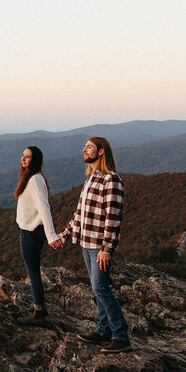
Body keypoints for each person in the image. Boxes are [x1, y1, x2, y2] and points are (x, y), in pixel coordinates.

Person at [61, 137, 131, 352]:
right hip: (86, 242)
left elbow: (113, 217)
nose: (84, 150)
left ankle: (121, 336)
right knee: (97, 289)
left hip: (99, 246)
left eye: (89, 147)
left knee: (101, 288)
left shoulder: (111, 180)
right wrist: (65, 235)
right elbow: (80, 214)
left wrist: (107, 249)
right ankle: (103, 330)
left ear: (101, 152)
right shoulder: (91, 179)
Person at [15, 145, 63, 325]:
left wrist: (51, 235)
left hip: (32, 232)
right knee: (33, 270)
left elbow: (44, 208)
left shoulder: (35, 180)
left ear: (35, 160)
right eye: (22, 155)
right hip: (32, 230)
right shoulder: (30, 177)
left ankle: (39, 312)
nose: (23, 158)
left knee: (33, 272)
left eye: (28, 156)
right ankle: (39, 309)